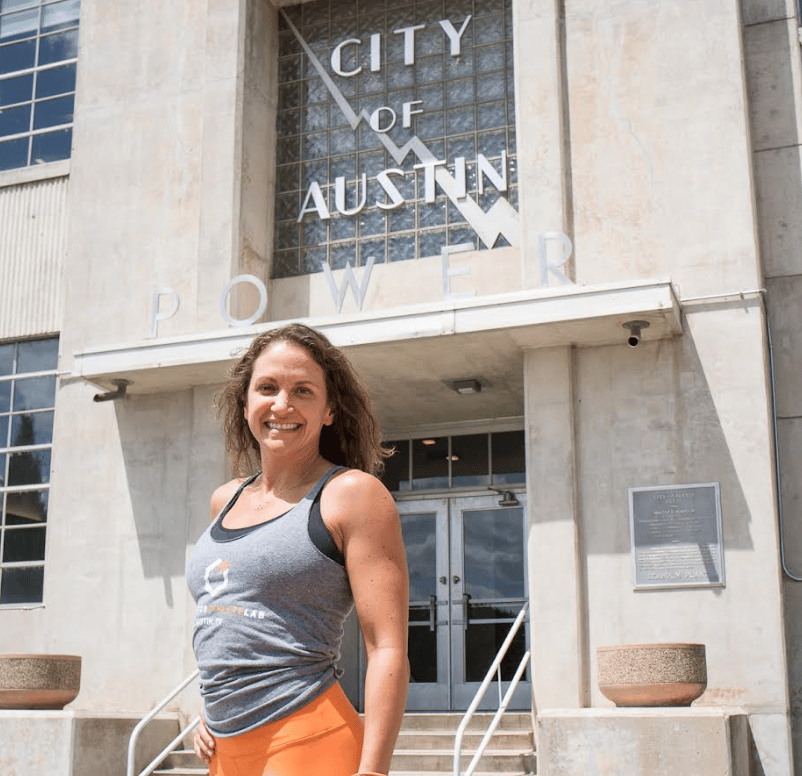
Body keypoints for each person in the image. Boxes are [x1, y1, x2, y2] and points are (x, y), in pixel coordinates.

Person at [186, 323, 409, 776]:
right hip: (224, 750)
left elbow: (387, 647)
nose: (282, 404)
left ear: (329, 410)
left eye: (303, 391)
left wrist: (373, 771)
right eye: (267, 387)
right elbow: (224, 618)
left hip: (308, 739)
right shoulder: (224, 499)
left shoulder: (352, 495)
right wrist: (207, 707)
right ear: (245, 402)